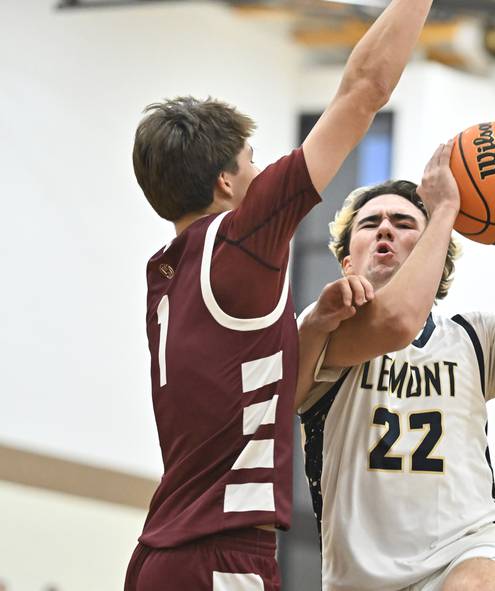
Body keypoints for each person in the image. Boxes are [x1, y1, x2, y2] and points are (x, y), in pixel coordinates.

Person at [124, 1, 437, 589]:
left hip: (163, 556)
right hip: (220, 556)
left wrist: (314, 323)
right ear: (225, 182)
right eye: (251, 162)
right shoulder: (239, 238)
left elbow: (240, 381)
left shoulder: (165, 275)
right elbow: (363, 88)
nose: (261, 171)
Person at [296, 128, 495, 591]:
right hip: (360, 577)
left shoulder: (475, 338)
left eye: (406, 223)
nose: (386, 228)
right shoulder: (320, 326)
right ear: (347, 262)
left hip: (467, 552)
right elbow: (395, 325)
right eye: (369, 224)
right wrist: (443, 210)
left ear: (438, 258)